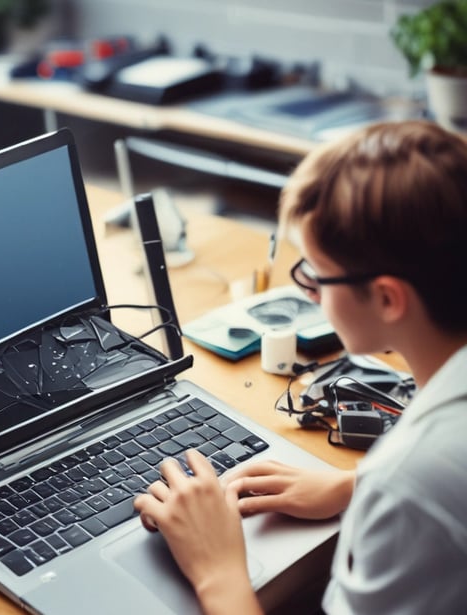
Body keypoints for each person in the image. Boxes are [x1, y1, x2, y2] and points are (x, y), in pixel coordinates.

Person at [134, 119, 467, 614]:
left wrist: (217, 570)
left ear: (386, 297)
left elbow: (430, 484)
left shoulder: (411, 481)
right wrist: (353, 486)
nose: (306, 290)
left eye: (316, 274)